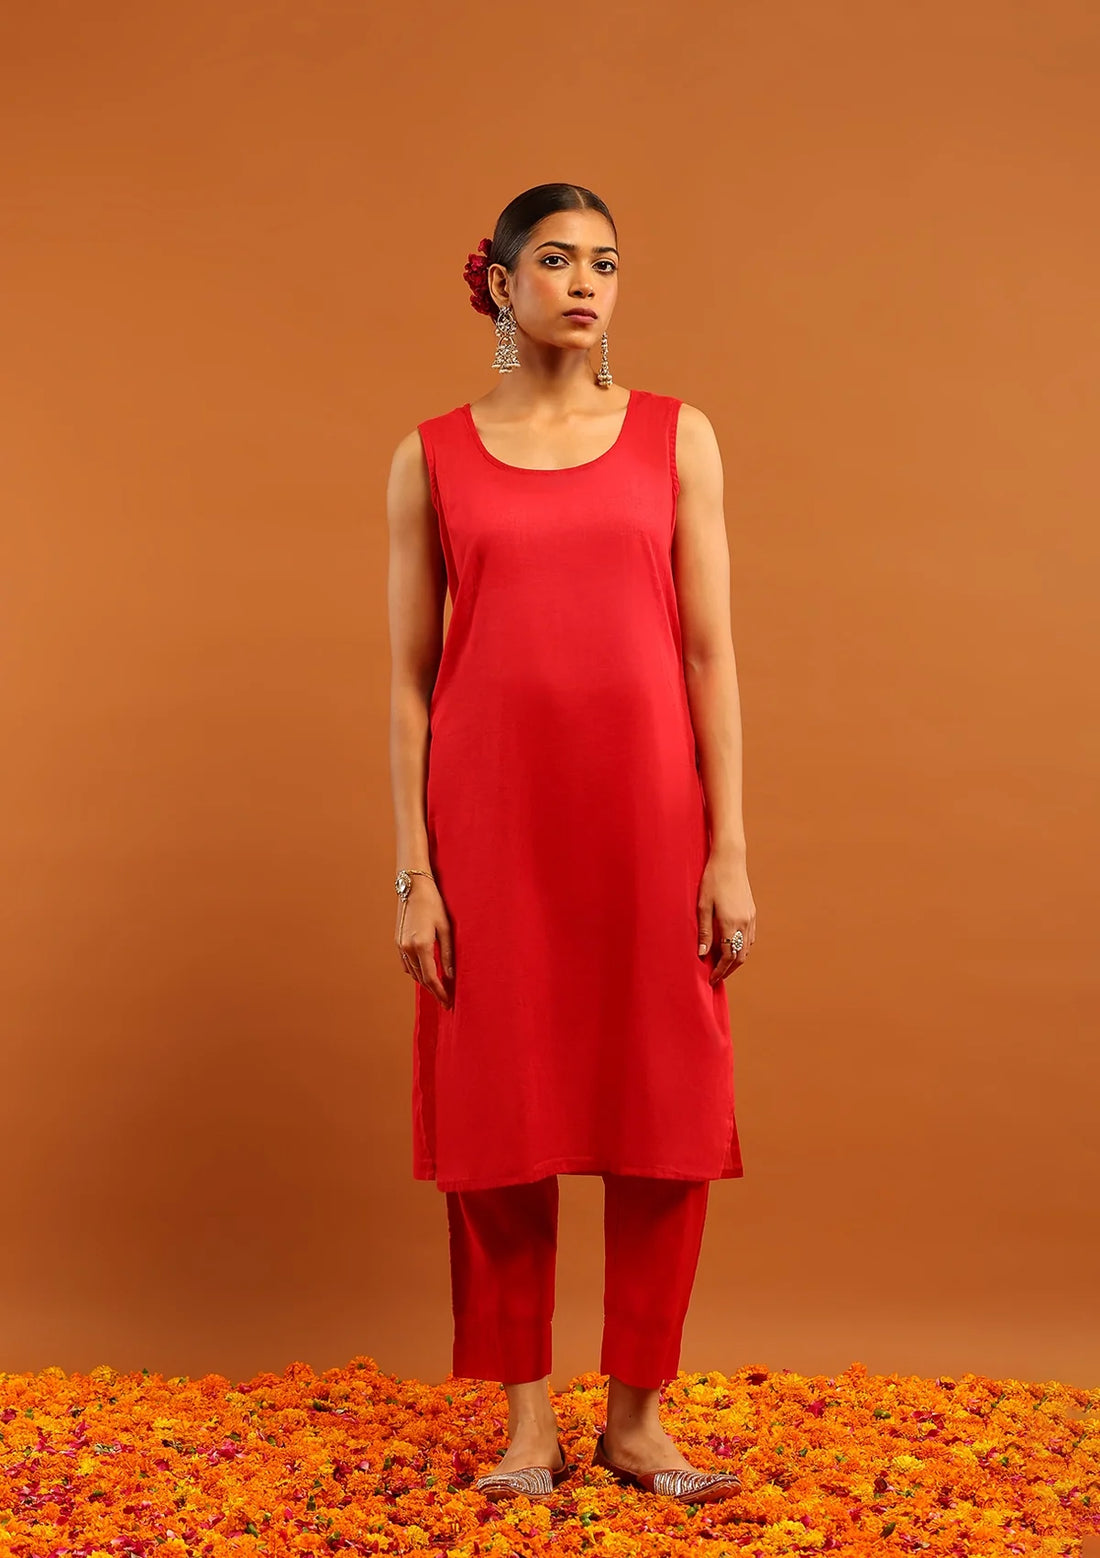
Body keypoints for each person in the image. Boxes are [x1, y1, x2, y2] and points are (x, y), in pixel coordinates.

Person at [386, 182, 756, 1505]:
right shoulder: (430, 455)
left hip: (649, 818)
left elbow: (709, 653)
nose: (585, 281)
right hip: (491, 825)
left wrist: (729, 847)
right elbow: (408, 682)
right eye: (554, 259)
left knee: (666, 1109)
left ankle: (640, 1420)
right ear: (497, 282)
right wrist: (415, 871)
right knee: (500, 1119)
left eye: (604, 260)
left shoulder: (677, 437)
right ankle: (528, 1423)